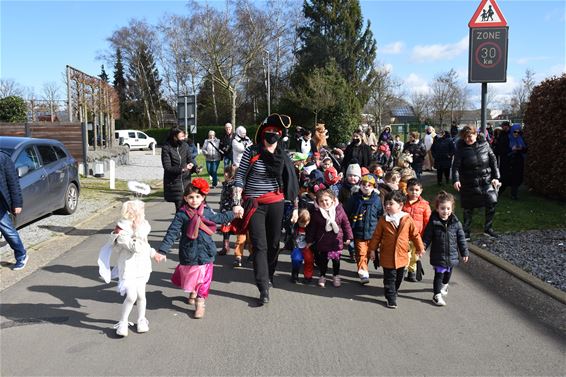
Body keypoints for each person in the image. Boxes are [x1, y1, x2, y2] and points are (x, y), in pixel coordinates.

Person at [232, 113, 299, 305]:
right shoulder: (251, 152)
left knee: (273, 243)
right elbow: (240, 177)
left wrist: (295, 208)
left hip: (276, 203)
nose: (271, 134)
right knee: (260, 245)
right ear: (262, 133)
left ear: (280, 134)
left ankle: (269, 274)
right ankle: (263, 287)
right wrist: (237, 202)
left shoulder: (283, 156)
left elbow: (291, 184)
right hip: (255, 204)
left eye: (275, 132)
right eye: (268, 131)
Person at [157, 179, 235, 319]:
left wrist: (233, 213)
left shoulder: (206, 211)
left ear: (203, 197)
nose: (194, 200)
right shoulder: (182, 214)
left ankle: (200, 303)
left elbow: (219, 218)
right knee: (191, 276)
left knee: (205, 279)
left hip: (206, 251)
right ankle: (193, 290)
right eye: (191, 197)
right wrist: (163, 250)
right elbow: (172, 232)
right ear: (185, 198)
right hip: (189, 252)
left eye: (197, 197)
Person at [102, 200, 163, 337]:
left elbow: (145, 245)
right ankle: (123, 321)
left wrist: (154, 254)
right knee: (131, 296)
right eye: (139, 211)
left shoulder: (143, 226)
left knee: (141, 295)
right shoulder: (121, 231)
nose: (142, 214)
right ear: (129, 213)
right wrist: (136, 231)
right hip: (128, 268)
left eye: (142, 211)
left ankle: (141, 319)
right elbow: (135, 247)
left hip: (143, 266)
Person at [369, 190, 425, 309]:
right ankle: (391, 297)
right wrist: (372, 250)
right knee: (390, 278)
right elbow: (376, 236)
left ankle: (394, 290)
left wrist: (420, 248)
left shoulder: (407, 219)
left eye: (391, 204)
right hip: (387, 255)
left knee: (399, 277)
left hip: (402, 255)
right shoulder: (383, 220)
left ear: (400, 205)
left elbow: (415, 235)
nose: (387, 206)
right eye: (386, 204)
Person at [452, 125, 500, 240]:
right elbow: (456, 166)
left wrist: (496, 177)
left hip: (486, 180)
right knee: (468, 208)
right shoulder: (460, 149)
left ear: (476, 135)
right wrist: (456, 180)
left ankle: (488, 228)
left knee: (492, 202)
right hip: (469, 181)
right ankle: (466, 231)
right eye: (465, 137)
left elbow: (493, 161)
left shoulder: (485, 144)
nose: (468, 139)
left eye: (470, 136)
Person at [422, 191, 469, 306]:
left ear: (452, 209)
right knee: (439, 274)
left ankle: (445, 285)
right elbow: (427, 237)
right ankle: (436, 295)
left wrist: (464, 252)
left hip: (452, 255)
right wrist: (422, 247)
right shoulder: (433, 222)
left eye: (448, 208)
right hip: (438, 254)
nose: (445, 211)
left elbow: (461, 239)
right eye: (442, 208)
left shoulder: (456, 223)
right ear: (437, 209)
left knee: (447, 274)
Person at [306, 189, 352, 288]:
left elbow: (346, 223)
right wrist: (309, 240)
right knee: (323, 261)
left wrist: (348, 237)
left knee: (336, 261)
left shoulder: (339, 209)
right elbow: (312, 228)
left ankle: (336, 276)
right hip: (323, 242)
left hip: (336, 241)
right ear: (318, 202)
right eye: (321, 201)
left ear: (332, 200)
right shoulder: (316, 212)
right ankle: (322, 276)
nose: (324, 203)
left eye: (326, 200)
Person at [345, 174, 382, 285]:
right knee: (361, 253)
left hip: (373, 233)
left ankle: (363, 267)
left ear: (374, 187)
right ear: (360, 185)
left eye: (369, 185)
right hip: (359, 231)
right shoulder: (354, 198)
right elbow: (346, 212)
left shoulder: (377, 199)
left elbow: (380, 215)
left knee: (369, 253)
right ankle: (363, 273)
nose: (366, 187)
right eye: (363, 184)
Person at [0, 151, 28, 270]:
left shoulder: (3, 158)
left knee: (8, 231)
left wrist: (17, 203)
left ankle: (21, 255)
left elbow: (13, 182)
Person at [402, 178, 431, 282]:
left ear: (421, 191)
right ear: (407, 190)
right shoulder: (402, 203)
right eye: (411, 189)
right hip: (404, 235)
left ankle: (412, 271)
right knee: (405, 254)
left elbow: (428, 221)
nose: (414, 192)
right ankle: (403, 269)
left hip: (418, 236)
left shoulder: (424, 205)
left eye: (416, 190)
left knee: (415, 255)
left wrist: (427, 236)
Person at [162, 127, 196, 211]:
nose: (183, 139)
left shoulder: (185, 145)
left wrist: (195, 167)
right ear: (175, 137)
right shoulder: (166, 147)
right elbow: (167, 167)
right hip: (174, 183)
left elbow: (190, 159)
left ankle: (187, 223)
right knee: (181, 209)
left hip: (186, 181)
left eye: (184, 137)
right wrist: (182, 169)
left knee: (189, 208)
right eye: (181, 137)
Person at [500, 124, 527, 200]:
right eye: (515, 132)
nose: (516, 133)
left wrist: (521, 148)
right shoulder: (507, 138)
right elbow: (501, 149)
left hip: (518, 161)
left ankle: (514, 194)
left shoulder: (521, 139)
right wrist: (511, 149)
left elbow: (526, 149)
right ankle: (498, 192)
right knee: (505, 179)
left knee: (516, 178)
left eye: (518, 132)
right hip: (508, 161)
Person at [218, 164, 238, 256]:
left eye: (228, 172)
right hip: (224, 210)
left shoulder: (234, 186)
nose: (225, 174)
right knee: (225, 229)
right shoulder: (225, 184)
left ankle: (240, 248)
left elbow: (235, 199)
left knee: (238, 229)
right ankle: (225, 247)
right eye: (225, 172)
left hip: (231, 211)